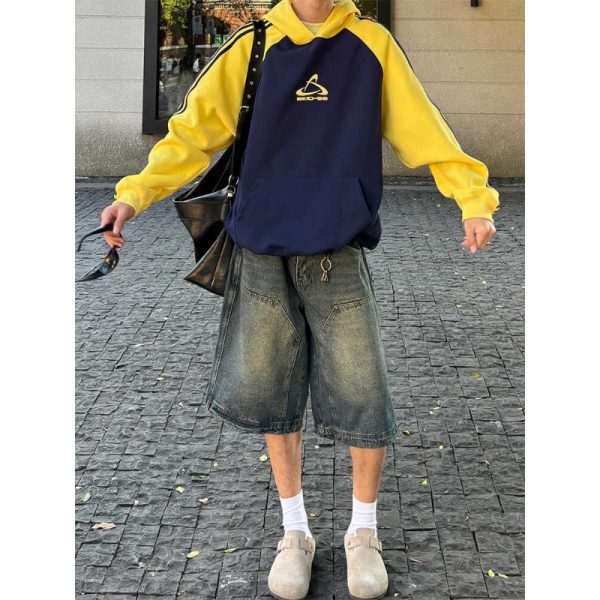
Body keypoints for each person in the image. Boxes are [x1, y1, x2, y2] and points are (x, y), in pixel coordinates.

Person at [100, 1, 499, 599]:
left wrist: (472, 198)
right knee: (272, 392)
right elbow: (192, 134)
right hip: (262, 248)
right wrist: (133, 195)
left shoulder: (372, 45)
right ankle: (296, 533)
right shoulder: (253, 46)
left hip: (338, 249)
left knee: (364, 392)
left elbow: (424, 130)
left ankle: (363, 532)